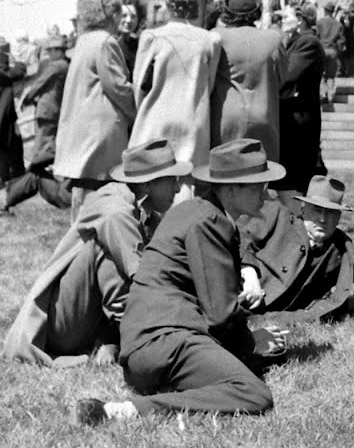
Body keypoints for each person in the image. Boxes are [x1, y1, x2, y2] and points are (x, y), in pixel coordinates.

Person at [72, 139, 289, 426]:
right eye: (257, 184)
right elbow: (221, 315)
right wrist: (253, 343)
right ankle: (118, 411)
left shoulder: (199, 212)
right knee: (254, 394)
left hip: (149, 347)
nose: (266, 192)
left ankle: (168, 390)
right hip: (165, 342)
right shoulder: (209, 222)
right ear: (231, 188)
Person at [5, 139, 190, 366]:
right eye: (172, 180)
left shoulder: (145, 213)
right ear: (147, 184)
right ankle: (139, 338)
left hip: (87, 323)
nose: (179, 188)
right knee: (105, 248)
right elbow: (146, 277)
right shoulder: (115, 211)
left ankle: (121, 338)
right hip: (62, 328)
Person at [54, 0, 136, 217]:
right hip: (99, 134)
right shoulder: (106, 42)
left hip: (82, 131)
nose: (122, 18)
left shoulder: (85, 40)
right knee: (99, 200)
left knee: (83, 198)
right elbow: (118, 88)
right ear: (110, 14)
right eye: (119, 12)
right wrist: (137, 115)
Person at [129, 0, 222, 171]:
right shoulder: (210, 39)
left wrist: (142, 110)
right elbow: (209, 83)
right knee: (188, 179)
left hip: (155, 117)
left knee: (153, 175)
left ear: (167, 4)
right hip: (193, 118)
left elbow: (139, 84)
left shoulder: (151, 37)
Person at [238, 175, 354, 322]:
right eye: (317, 209)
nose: (322, 219)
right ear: (303, 209)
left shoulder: (339, 248)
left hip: (278, 314)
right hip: (240, 294)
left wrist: (290, 318)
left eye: (330, 213)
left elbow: (334, 299)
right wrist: (249, 274)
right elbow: (239, 239)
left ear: (339, 218)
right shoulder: (277, 216)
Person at [210, 0, 286, 166]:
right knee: (261, 177)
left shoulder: (217, 36)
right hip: (264, 116)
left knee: (224, 176)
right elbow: (282, 79)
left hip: (225, 119)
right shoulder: (274, 38)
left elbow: (208, 80)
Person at [3, 35, 72, 212]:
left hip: (47, 112)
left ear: (58, 51)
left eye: (52, 50)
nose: (49, 54)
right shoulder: (67, 64)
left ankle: (17, 189)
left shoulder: (57, 66)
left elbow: (39, 83)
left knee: (40, 155)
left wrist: (27, 98)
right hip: (54, 110)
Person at [278, 2, 327, 202]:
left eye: (286, 17)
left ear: (300, 19)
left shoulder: (308, 43)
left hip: (300, 120)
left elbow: (287, 75)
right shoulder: (297, 42)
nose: (282, 20)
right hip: (294, 117)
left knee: (296, 175)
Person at [0, 38, 28, 187]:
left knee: (12, 146)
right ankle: (7, 176)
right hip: (4, 118)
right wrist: (19, 62)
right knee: (7, 148)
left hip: (7, 117)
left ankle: (14, 174)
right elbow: (16, 73)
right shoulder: (3, 70)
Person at [315, 1, 343, 105]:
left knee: (321, 75)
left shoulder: (319, 22)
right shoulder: (338, 24)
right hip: (333, 50)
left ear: (325, 10)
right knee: (331, 75)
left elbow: (316, 36)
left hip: (321, 49)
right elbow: (341, 40)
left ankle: (323, 94)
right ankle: (331, 96)